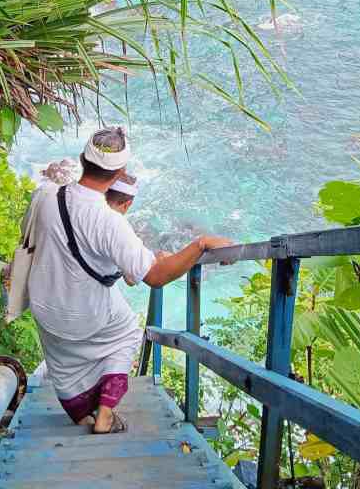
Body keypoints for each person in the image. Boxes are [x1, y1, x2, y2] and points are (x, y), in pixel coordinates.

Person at [24, 127, 233, 434]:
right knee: (127, 334)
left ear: (83, 159)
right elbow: (156, 277)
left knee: (64, 359)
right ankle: (105, 413)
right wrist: (199, 244)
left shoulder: (45, 194)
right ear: (120, 172)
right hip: (82, 315)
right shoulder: (110, 222)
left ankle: (81, 412)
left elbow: (33, 239)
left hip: (43, 305)